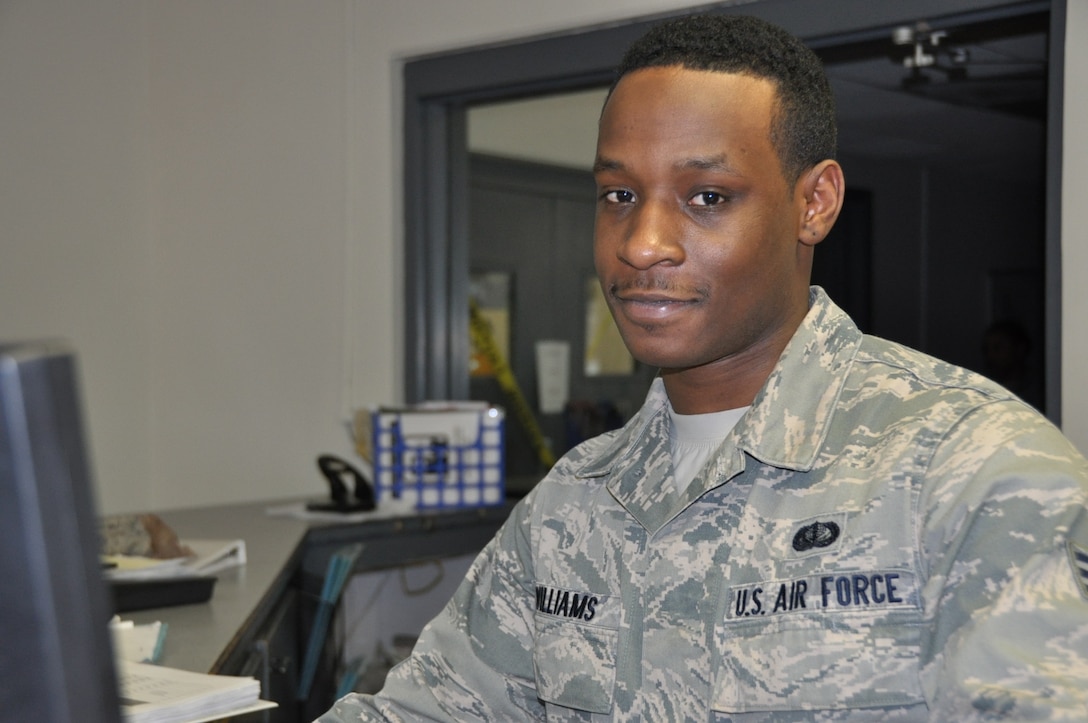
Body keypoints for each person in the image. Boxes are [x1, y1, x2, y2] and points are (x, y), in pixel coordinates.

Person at [318, 14, 1088, 721]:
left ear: (815, 203)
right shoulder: (576, 501)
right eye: (619, 193)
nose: (641, 241)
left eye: (707, 195)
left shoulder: (977, 471)